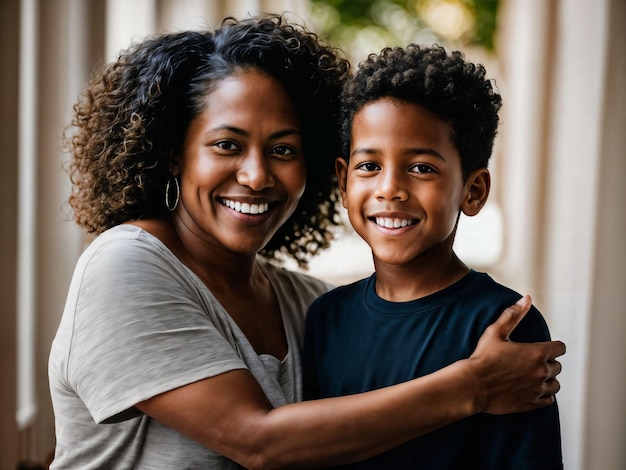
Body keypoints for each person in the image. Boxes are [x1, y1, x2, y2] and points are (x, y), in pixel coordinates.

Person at [48, 15, 565, 469]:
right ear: (171, 154)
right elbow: (256, 444)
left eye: (283, 149)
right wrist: (473, 386)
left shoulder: (309, 306)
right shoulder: (124, 267)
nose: (255, 175)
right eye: (227, 144)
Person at [303, 44, 563, 469]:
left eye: (421, 168)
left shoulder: (503, 325)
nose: (390, 189)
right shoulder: (325, 319)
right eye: (369, 166)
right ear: (343, 181)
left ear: (472, 190)